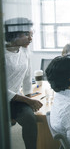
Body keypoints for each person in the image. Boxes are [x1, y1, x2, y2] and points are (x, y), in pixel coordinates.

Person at [4, 17, 43, 149]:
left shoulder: (25, 51)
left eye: (32, 34)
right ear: (14, 34)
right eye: (26, 35)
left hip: (14, 99)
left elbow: (27, 76)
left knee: (30, 119)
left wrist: (29, 96)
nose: (30, 39)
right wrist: (27, 100)